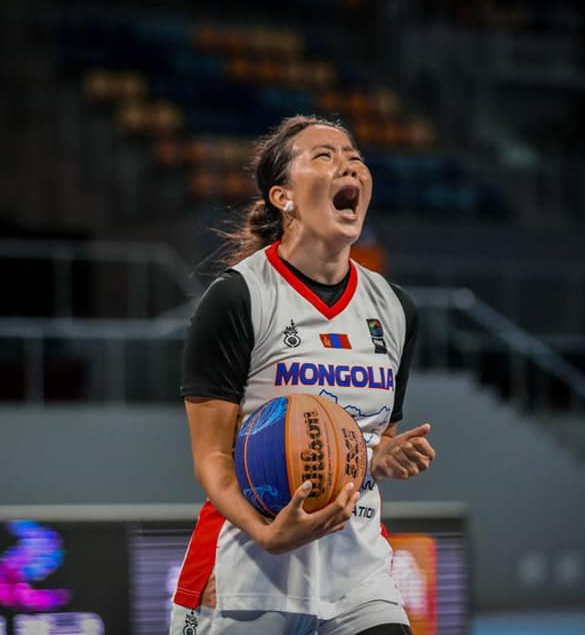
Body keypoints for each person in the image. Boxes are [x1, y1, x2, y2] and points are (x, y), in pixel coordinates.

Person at [170, 115, 436, 635]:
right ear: (283, 196)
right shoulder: (238, 297)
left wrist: (384, 455)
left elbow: (372, 440)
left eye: (355, 157)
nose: (349, 166)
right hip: (249, 567)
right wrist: (266, 534)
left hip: (357, 571)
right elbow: (212, 458)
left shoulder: (395, 308)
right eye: (325, 156)